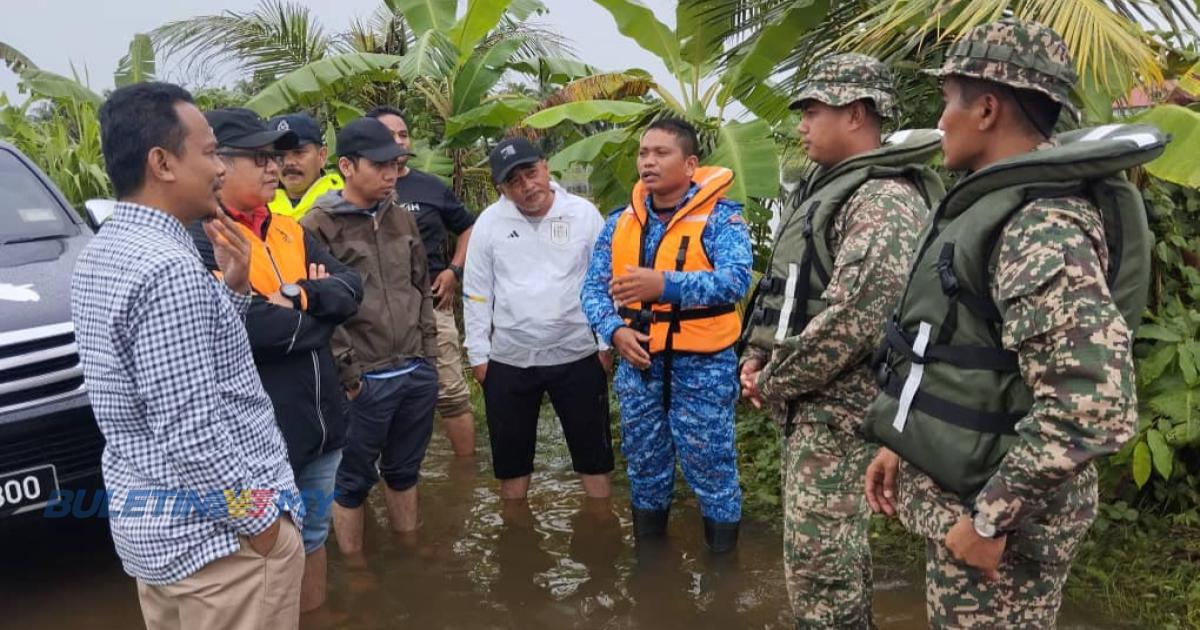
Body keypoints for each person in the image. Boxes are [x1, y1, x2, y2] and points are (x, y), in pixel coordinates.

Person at [862, 19, 1163, 627]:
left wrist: (990, 518)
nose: (940, 119)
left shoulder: (1040, 226)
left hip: (1001, 528)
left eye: (948, 100)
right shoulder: (1002, 207)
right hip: (971, 497)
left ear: (988, 108)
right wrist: (905, 442)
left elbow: (1092, 405)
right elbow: (968, 353)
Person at [72, 82, 303, 629]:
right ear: (162, 162)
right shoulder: (168, 269)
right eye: (209, 152)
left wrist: (232, 289)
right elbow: (191, 432)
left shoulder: (101, 253)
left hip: (158, 536)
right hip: (224, 553)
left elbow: (167, 370)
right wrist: (263, 526)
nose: (220, 168)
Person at [738, 54, 942, 627]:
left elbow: (856, 319)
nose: (801, 123)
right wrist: (758, 358)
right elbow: (795, 288)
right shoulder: (831, 190)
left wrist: (774, 380)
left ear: (856, 113)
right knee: (820, 561)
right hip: (815, 405)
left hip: (848, 412)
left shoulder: (882, 199)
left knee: (822, 566)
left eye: (812, 109)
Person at [189, 107, 363, 613]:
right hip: (259, 442)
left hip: (321, 426)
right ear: (219, 164)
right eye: (261, 156)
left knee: (312, 537)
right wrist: (319, 313)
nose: (275, 167)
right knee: (258, 552)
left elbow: (352, 289)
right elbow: (254, 328)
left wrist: (297, 294)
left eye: (279, 155)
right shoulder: (205, 239)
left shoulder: (287, 230)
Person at [581, 118, 752, 553]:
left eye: (662, 153)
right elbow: (592, 289)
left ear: (690, 164)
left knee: (714, 474)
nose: (648, 161)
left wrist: (666, 286)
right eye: (643, 153)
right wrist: (614, 330)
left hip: (704, 371)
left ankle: (722, 582)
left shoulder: (722, 219)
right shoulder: (620, 222)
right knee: (645, 473)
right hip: (639, 372)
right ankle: (650, 576)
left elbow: (735, 280)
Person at [300, 117, 438, 555]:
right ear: (346, 166)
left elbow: (421, 288)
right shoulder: (318, 226)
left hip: (414, 369)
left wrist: (429, 358)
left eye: (395, 165)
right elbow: (320, 307)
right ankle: (357, 577)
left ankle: (409, 556)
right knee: (351, 480)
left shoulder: (401, 219)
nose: (391, 174)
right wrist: (349, 375)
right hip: (363, 379)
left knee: (404, 471)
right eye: (379, 165)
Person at [463, 137, 614, 500]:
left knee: (594, 458)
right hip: (510, 360)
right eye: (514, 181)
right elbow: (477, 292)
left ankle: (602, 534)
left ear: (546, 167)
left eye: (531, 173)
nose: (527, 186)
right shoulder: (489, 223)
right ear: (502, 187)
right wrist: (479, 358)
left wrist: (606, 342)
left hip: (578, 354)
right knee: (512, 465)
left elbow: (604, 280)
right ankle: (516, 538)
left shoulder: (583, 214)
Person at [367, 105, 478, 457]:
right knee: (385, 397)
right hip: (375, 314)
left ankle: (464, 479)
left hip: (431, 303)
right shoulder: (358, 188)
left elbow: (469, 227)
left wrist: (454, 271)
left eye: (403, 134)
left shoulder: (430, 186)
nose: (398, 142)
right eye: (389, 135)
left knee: (451, 394)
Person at [266, 112, 343, 219]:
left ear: (322, 156)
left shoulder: (343, 202)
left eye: (298, 153)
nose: (289, 162)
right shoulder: (261, 207)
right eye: (280, 155)